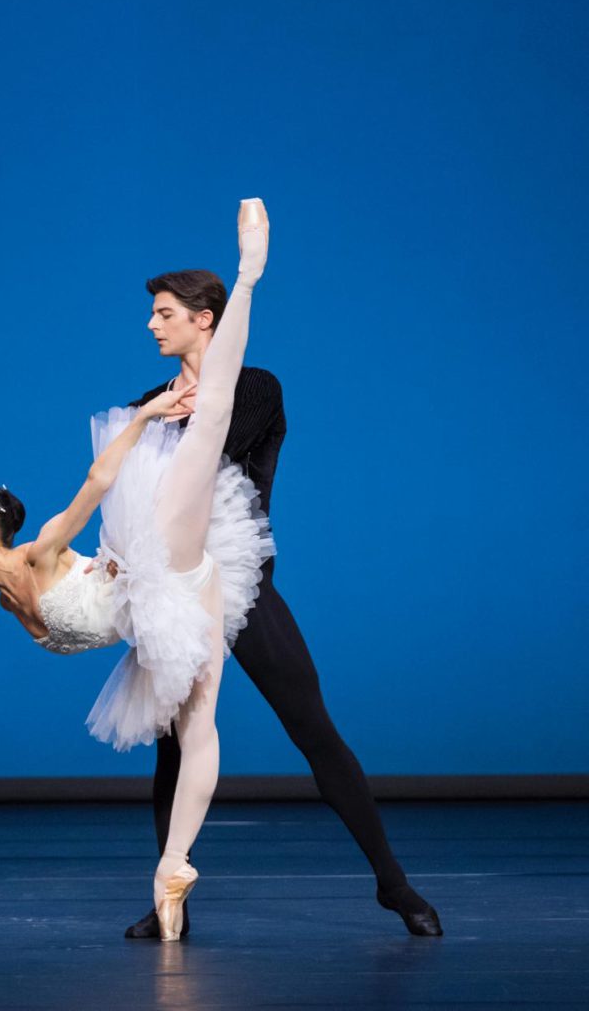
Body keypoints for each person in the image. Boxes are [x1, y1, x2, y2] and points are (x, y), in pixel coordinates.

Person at [0, 198, 273, 941]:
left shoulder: (40, 552)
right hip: (167, 607)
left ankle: (249, 274)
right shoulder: (4, 601)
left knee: (211, 414)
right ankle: (173, 867)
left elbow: (93, 489)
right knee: (196, 725)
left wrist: (148, 419)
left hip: (159, 550)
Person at [124, 269, 444, 940]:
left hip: (240, 580)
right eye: (152, 315)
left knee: (312, 728)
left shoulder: (255, 387)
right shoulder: (149, 400)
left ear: (204, 318)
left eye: (164, 313)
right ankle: (167, 897)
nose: (152, 325)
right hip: (175, 590)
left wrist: (163, 427)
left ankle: (393, 883)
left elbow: (212, 449)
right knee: (172, 750)